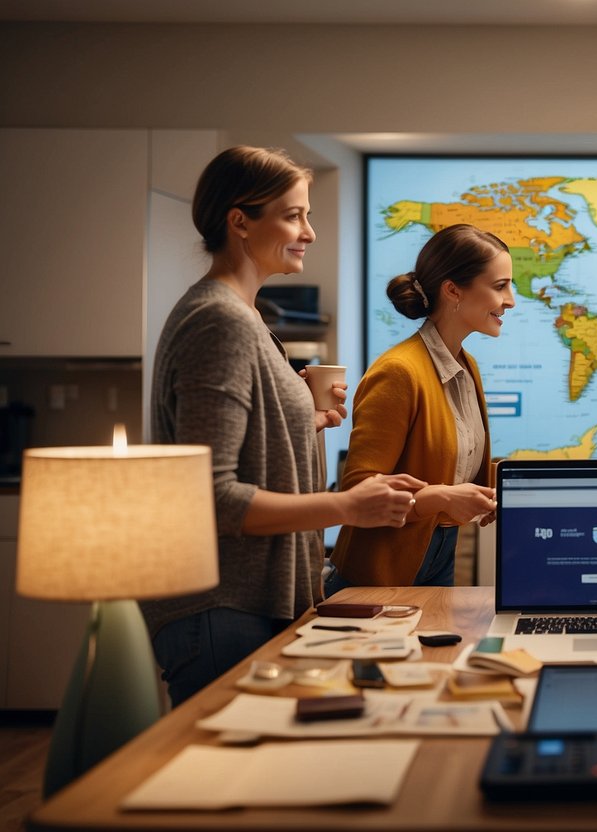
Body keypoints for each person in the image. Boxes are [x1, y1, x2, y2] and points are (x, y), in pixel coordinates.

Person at [142, 146, 421, 707]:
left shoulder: (243, 316)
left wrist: (304, 420)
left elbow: (241, 448)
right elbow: (211, 496)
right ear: (240, 221)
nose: (309, 232)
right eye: (294, 215)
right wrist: (349, 506)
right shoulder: (219, 321)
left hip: (248, 605)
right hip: (222, 609)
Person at [326, 224, 512, 590]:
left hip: (439, 549)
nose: (511, 300)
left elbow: (454, 463)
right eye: (500, 286)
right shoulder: (399, 371)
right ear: (453, 290)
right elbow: (361, 490)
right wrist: (438, 498)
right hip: (379, 570)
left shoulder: (466, 364)